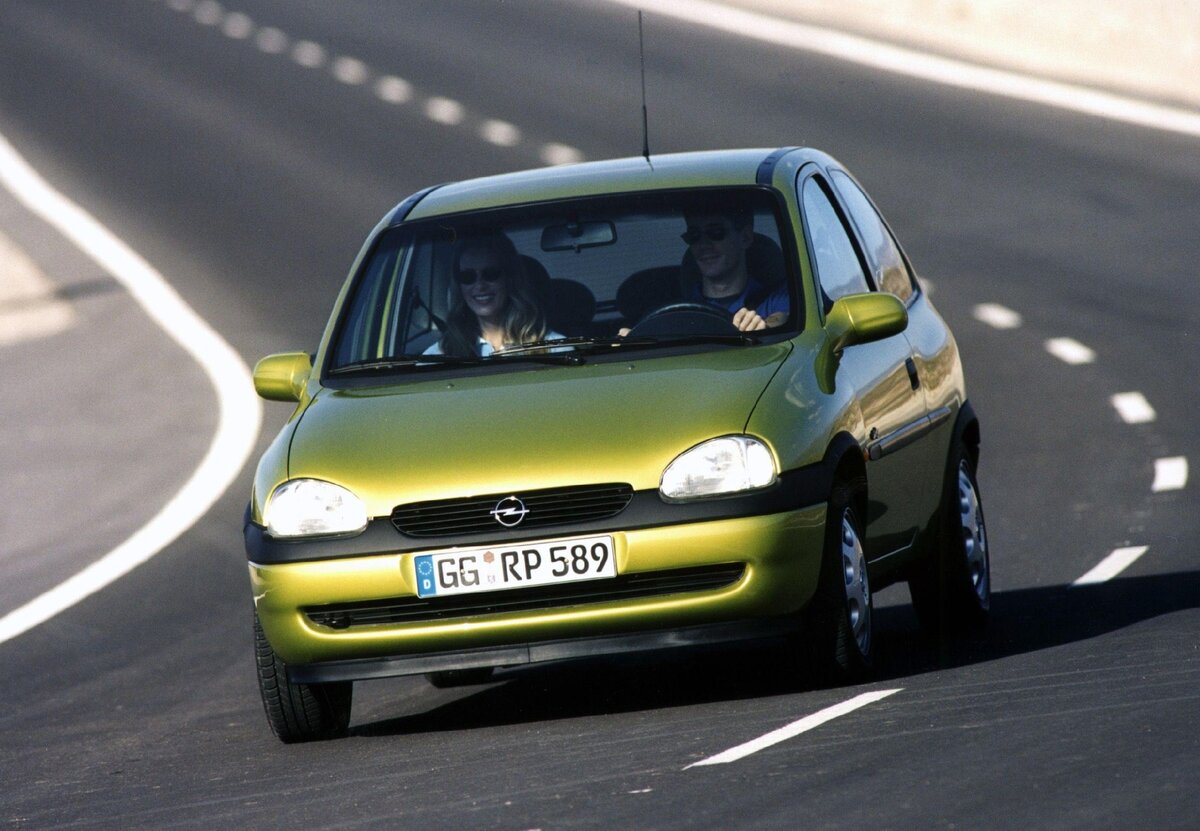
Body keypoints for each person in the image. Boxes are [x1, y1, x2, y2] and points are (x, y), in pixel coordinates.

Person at [425, 232, 560, 357]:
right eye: (467, 276)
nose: (480, 285)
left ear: (510, 279)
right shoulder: (440, 355)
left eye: (491, 274)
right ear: (459, 287)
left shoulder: (553, 348)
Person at [680, 204, 789, 331]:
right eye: (694, 235)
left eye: (716, 233)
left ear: (745, 238)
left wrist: (766, 327)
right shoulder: (678, 312)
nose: (703, 245)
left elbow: (783, 317)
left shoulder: (777, 300)